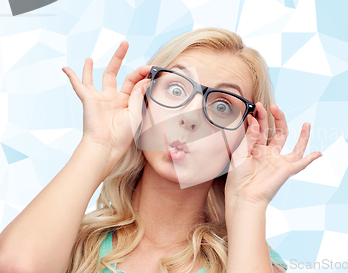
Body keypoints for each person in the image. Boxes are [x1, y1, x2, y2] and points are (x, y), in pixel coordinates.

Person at [0, 27, 322, 273]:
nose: (189, 119)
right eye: (177, 88)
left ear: (247, 137)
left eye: (222, 105)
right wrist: (98, 145)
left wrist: (249, 202)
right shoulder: (67, 237)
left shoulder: (249, 259)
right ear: (144, 102)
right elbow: (16, 267)